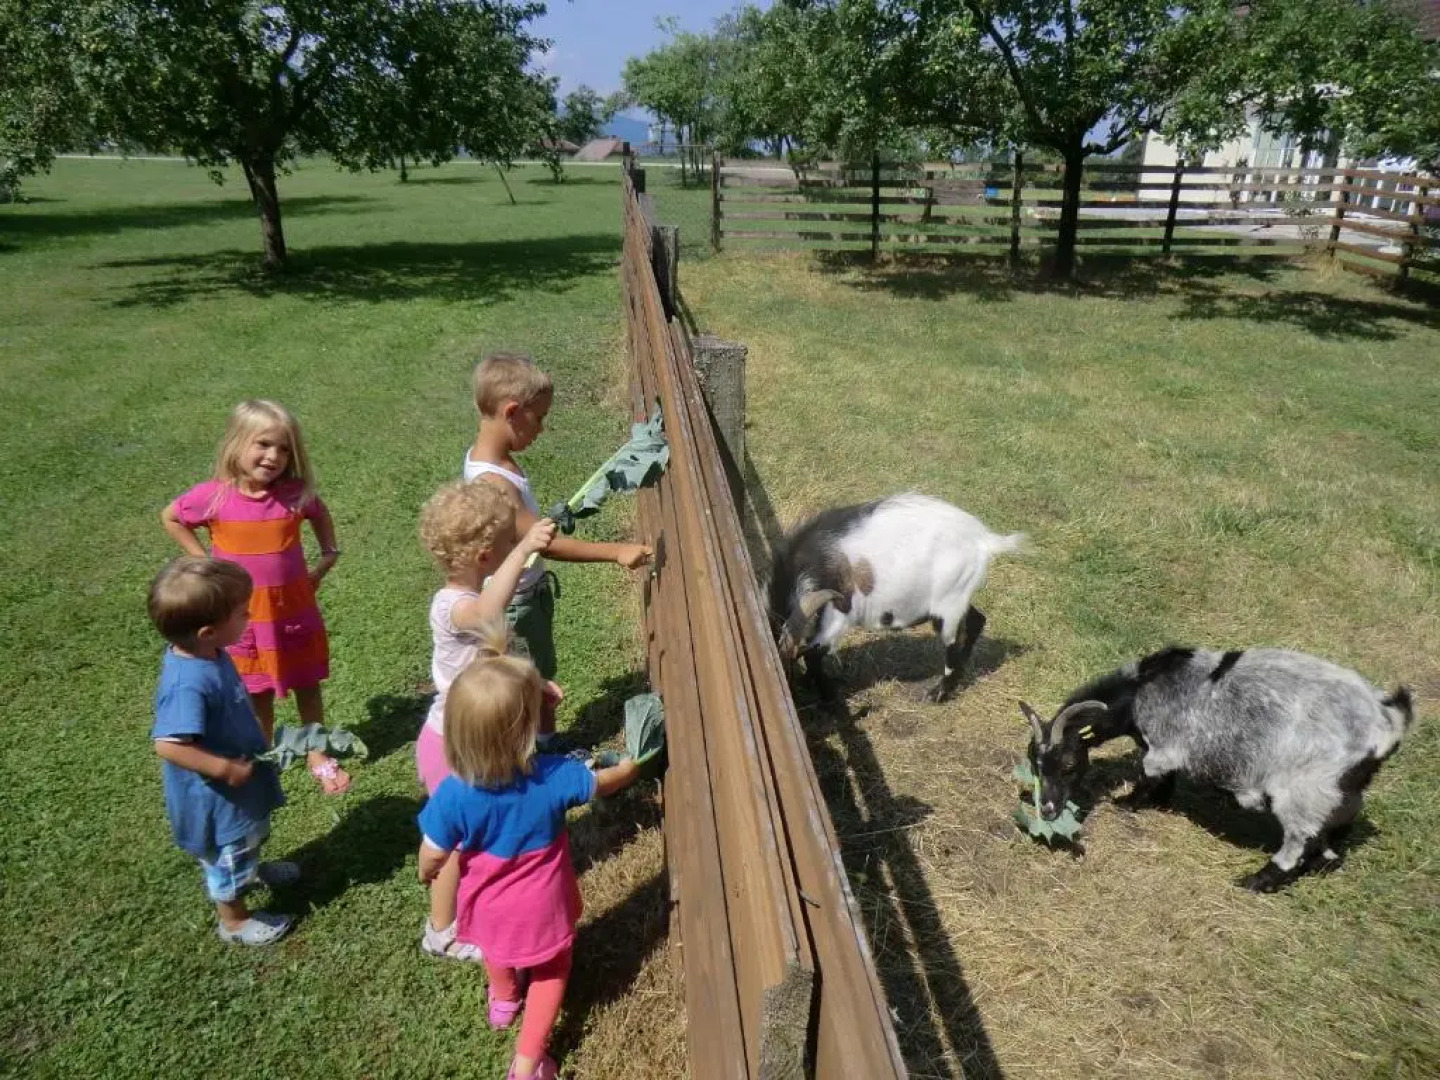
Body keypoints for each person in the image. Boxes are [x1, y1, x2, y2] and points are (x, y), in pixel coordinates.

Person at [417, 625, 642, 1080]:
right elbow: (601, 783)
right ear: (526, 728)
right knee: (552, 971)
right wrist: (633, 767)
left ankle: (502, 1000)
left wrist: (430, 871)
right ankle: (527, 1064)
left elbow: (432, 853)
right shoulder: (554, 775)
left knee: (497, 950)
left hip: (487, 906)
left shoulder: (453, 794)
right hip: (544, 909)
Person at [162, 399, 349, 794]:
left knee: (308, 684)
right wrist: (204, 563)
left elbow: (319, 513)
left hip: (293, 610)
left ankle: (316, 751)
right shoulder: (213, 497)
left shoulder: (295, 494)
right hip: (244, 618)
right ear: (237, 443)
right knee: (256, 692)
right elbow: (172, 517)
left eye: (284, 449)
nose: (273, 456)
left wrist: (327, 555)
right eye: (263, 444)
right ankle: (261, 754)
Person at [415, 479, 557, 961]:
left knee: (474, 833)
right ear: (483, 555)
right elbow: (489, 609)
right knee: (452, 845)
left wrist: (534, 688)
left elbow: (498, 659)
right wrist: (525, 548)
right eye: (501, 546)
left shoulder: (472, 595)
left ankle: (478, 904)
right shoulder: (453, 606)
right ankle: (441, 930)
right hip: (450, 744)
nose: (506, 555)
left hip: (471, 737)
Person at [464, 352, 651, 679]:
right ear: (512, 412)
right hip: (516, 603)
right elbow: (545, 545)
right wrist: (617, 552)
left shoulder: (490, 460)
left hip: (525, 593)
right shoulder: (494, 484)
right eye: (538, 418)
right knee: (527, 680)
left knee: (539, 673)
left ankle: (545, 731)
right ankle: (536, 733)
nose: (542, 428)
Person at [148, 556, 297, 946]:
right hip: (217, 796)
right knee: (229, 857)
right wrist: (225, 769)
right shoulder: (187, 683)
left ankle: (254, 867)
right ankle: (233, 920)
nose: (249, 616)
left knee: (249, 837)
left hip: (239, 784)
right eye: (242, 613)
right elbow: (167, 744)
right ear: (209, 631)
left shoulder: (210, 653)